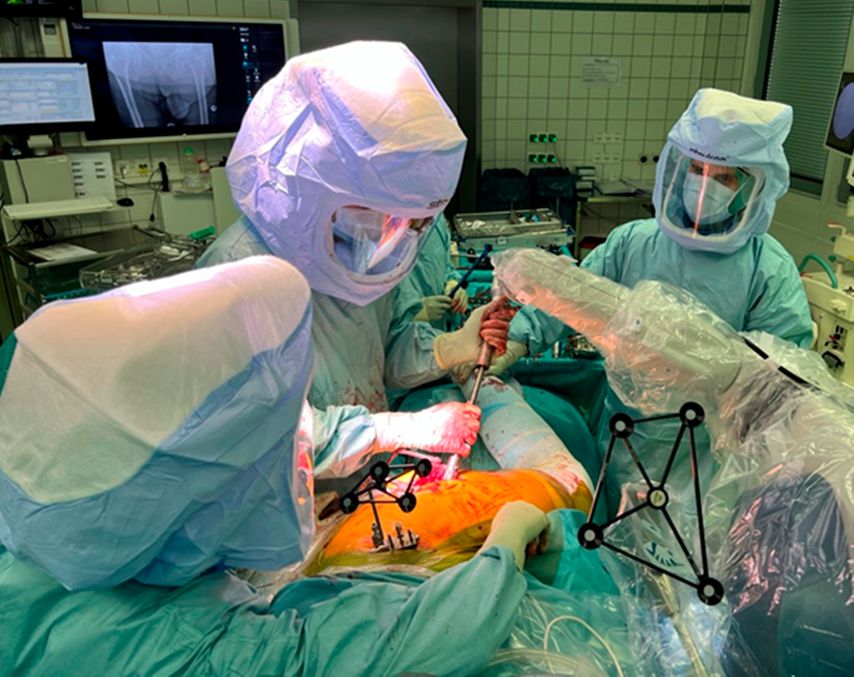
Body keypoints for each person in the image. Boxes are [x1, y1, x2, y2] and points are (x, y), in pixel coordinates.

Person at [0, 257, 482, 590]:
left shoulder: (161, 414)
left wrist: (393, 429)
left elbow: (277, 431)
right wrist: (497, 559)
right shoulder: (160, 622)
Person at [488, 88, 813, 514]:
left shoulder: (767, 268)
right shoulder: (633, 242)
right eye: (697, 169)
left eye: (724, 178)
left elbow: (780, 377)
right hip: (625, 438)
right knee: (611, 532)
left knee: (687, 544)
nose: (704, 186)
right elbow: (573, 296)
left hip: (708, 458)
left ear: (752, 187)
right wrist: (517, 338)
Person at [196, 41, 511, 419]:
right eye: (384, 214)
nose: (394, 233)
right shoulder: (236, 276)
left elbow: (385, 354)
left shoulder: (367, 253)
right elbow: (244, 430)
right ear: (315, 183)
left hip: (363, 453)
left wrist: (450, 347)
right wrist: (376, 434)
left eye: (411, 222)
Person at [396, 212, 468, 328]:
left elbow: (444, 264)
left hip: (436, 331)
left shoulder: (436, 217)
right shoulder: (383, 225)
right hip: (400, 335)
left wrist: (451, 283)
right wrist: (413, 313)